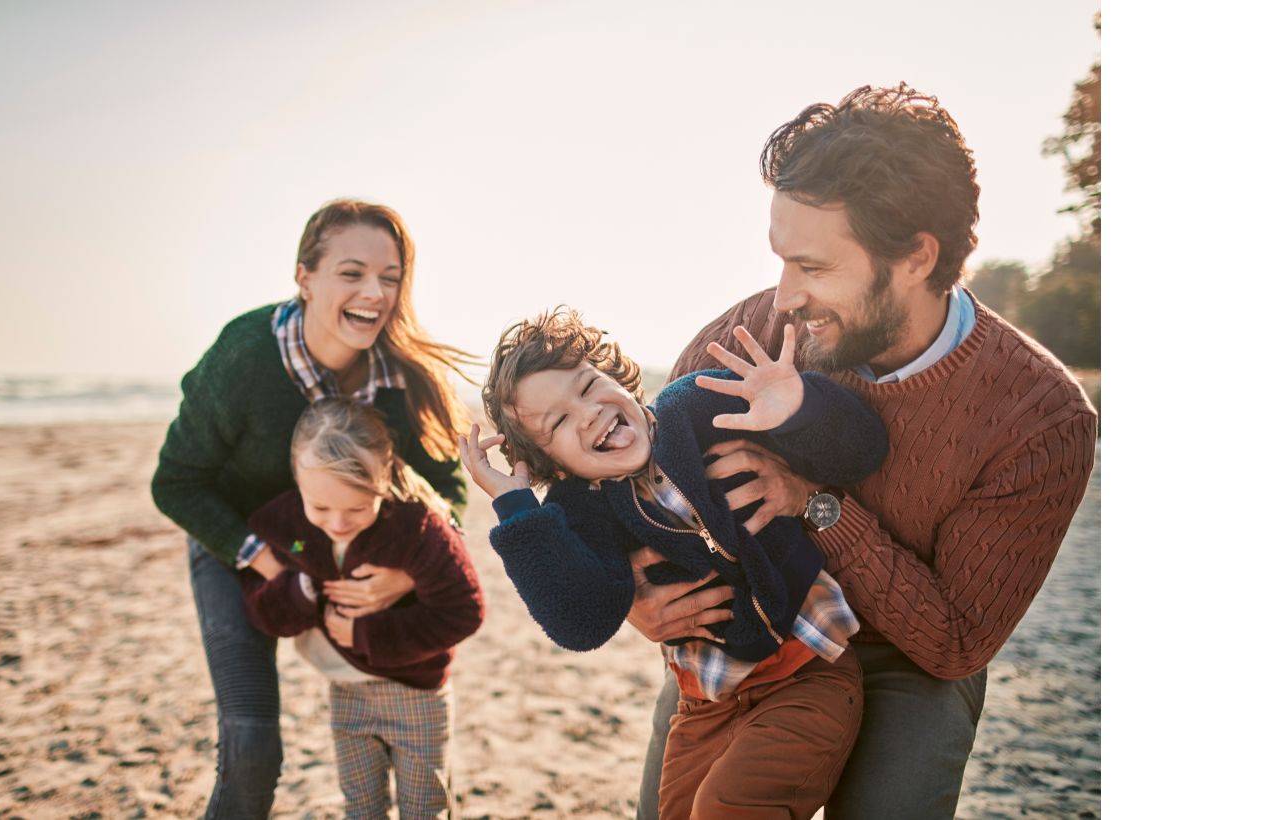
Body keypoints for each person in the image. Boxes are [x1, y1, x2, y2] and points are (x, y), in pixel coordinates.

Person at [629, 84, 1099, 819]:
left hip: (907, 656)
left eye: (813, 267)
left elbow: (955, 642)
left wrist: (816, 506)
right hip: (755, 620)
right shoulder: (752, 333)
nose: (784, 297)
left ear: (916, 257)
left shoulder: (1040, 418)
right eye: (782, 260)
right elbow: (640, 488)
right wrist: (640, 597)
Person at [461, 307, 888, 818]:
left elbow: (864, 449)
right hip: (705, 701)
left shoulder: (696, 407)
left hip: (806, 670)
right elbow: (580, 621)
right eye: (558, 421)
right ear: (551, 466)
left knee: (727, 808)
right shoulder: (581, 510)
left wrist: (796, 405)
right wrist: (516, 509)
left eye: (587, 385)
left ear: (615, 375)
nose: (588, 413)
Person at [150, 198, 473, 819]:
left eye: (390, 276)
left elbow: (445, 492)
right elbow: (176, 483)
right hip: (236, 541)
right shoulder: (245, 356)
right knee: (251, 740)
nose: (373, 292)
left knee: (410, 759)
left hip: (348, 555)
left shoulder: (404, 376)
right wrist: (271, 565)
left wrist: (407, 575)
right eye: (351, 273)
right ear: (305, 277)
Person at [241, 398, 485, 819]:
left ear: (384, 477)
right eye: (319, 507)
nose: (337, 523)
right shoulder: (289, 527)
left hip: (419, 694)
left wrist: (366, 635)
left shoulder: (417, 527)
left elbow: (464, 609)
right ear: (297, 480)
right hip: (345, 692)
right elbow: (262, 611)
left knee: (425, 808)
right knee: (361, 808)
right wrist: (298, 589)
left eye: (357, 507)